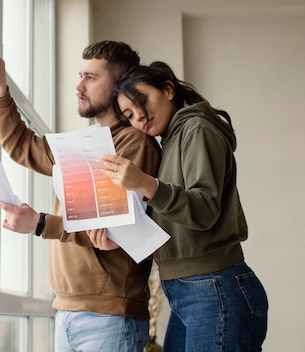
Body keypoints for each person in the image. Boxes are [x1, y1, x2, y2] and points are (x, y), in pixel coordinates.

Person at [0, 41, 162, 352]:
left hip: (109, 316)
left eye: (91, 78)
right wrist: (0, 90)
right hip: (67, 310)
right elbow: (22, 145)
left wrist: (39, 223)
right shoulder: (84, 143)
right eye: (80, 75)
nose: (78, 86)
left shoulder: (134, 143)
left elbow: (109, 225)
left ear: (120, 86)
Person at [96, 61, 268, 351]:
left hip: (214, 288)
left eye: (142, 102)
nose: (139, 117)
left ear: (168, 89)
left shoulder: (197, 129)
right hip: (189, 290)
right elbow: (175, 219)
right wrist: (123, 238)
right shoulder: (171, 141)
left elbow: (204, 209)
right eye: (129, 115)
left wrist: (143, 182)